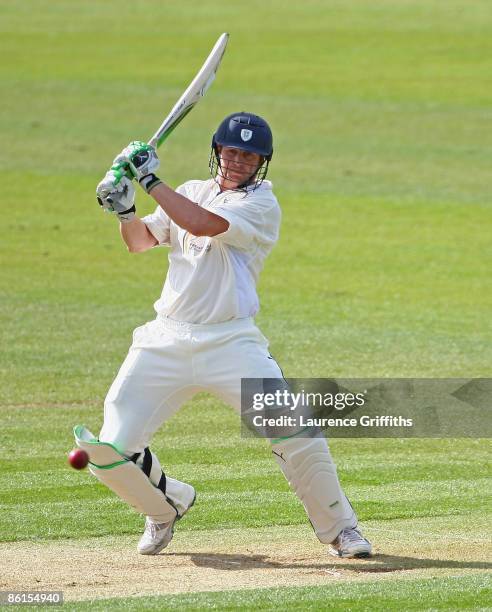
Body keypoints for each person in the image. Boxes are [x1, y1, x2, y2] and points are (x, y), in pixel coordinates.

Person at [79, 111, 372, 558]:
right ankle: (166, 506)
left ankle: (341, 530)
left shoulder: (261, 205)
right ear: (217, 150)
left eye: (249, 156)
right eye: (232, 151)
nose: (238, 161)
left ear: (262, 162)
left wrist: (149, 178)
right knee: (111, 450)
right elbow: (141, 242)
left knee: (294, 431)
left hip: (231, 343)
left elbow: (202, 224)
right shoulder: (193, 190)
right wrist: (125, 211)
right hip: (165, 339)